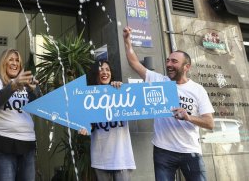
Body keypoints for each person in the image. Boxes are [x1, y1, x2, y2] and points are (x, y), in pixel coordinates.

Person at [122, 26, 214, 181]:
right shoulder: (159, 80)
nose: (169, 64)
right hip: (163, 150)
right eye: (168, 60)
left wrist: (188, 117)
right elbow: (134, 63)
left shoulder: (198, 90)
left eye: (174, 61)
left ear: (187, 67)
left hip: (190, 151)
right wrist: (127, 41)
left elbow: (209, 123)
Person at [0, 48, 42, 181]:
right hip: (2, 142)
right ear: (3, 63)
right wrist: (14, 85)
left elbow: (39, 106)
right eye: (10, 59)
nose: (14, 63)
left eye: (17, 60)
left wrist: (35, 91)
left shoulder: (27, 83)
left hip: (27, 142)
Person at [80, 60, 136, 181]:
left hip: (122, 158)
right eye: (101, 70)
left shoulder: (120, 91)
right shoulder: (88, 97)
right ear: (95, 74)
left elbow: (137, 108)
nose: (104, 72)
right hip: (101, 159)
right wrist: (84, 127)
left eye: (107, 69)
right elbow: (88, 124)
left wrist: (120, 88)